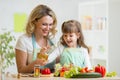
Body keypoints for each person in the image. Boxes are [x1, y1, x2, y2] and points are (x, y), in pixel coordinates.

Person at [15, 4, 57, 73]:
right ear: (34, 21)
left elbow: (56, 62)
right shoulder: (23, 40)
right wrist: (36, 63)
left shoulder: (52, 39)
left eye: (50, 24)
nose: (48, 28)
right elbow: (21, 70)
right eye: (44, 24)